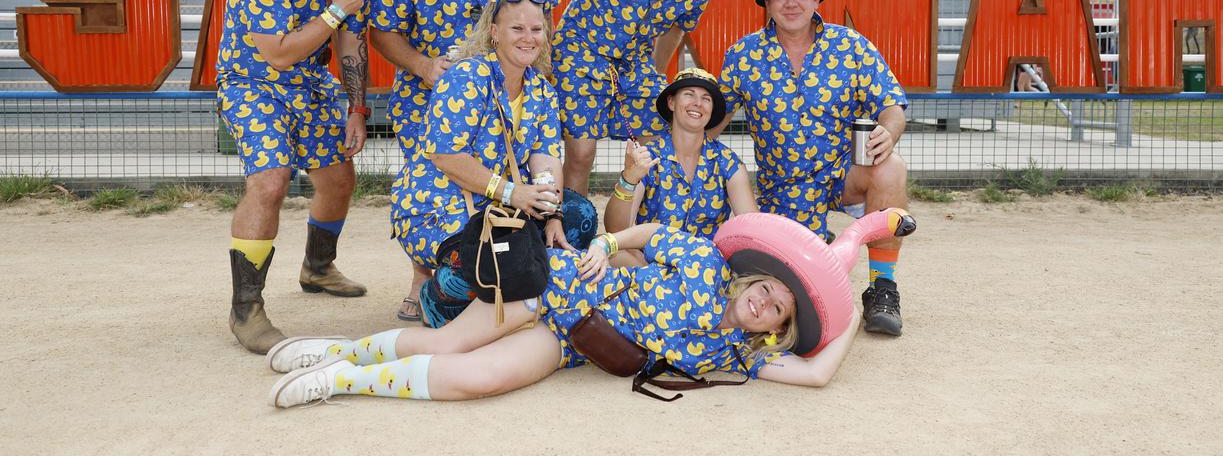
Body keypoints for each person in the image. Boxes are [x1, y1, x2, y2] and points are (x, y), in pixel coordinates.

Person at [265, 222, 859, 408]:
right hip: (556, 287)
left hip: (574, 340)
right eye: (767, 288)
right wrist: (604, 245)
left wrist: (850, 313)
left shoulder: (735, 354)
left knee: (481, 379)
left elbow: (815, 374)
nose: (765, 301)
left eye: (778, 309)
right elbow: (649, 234)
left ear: (774, 329)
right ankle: (334, 350)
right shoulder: (703, 261)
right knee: (446, 344)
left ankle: (344, 380)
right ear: (752, 278)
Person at [367, 0, 559, 321]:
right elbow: (381, 30)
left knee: (498, 184)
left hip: (505, 88)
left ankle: (480, 271)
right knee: (435, 182)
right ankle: (423, 277)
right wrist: (422, 66)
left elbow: (539, 22)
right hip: (428, 95)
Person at [215, 0, 376, 354]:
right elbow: (279, 54)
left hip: (311, 85)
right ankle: (247, 309)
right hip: (254, 82)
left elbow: (350, 43)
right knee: (270, 180)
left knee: (339, 179)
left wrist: (356, 108)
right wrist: (336, 9)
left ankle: (318, 267)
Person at [714, 0, 912, 336]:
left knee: (892, 167)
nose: (792, 3)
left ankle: (882, 289)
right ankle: (818, 243)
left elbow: (892, 104)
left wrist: (889, 130)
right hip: (781, 191)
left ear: (817, 0)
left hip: (843, 174)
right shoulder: (743, 56)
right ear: (767, 5)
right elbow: (712, 119)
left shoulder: (850, 46)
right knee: (798, 289)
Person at [388, 0, 595, 328]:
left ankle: (516, 292)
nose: (529, 38)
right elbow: (446, 154)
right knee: (481, 262)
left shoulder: (541, 88)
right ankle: (438, 297)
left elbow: (545, 159)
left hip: (500, 203)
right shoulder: (467, 76)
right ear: (494, 33)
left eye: (536, 29)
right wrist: (514, 194)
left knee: (578, 216)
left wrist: (551, 211)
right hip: (439, 203)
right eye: (517, 29)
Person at [542, 0, 720, 197]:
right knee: (581, 154)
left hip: (634, 64)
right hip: (581, 50)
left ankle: (639, 234)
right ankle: (572, 238)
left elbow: (676, 27)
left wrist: (654, 73)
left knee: (659, 145)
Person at [603, 67, 757, 265]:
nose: (698, 103)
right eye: (689, 94)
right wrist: (629, 179)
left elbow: (752, 231)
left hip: (705, 269)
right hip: (650, 266)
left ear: (711, 111)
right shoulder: (648, 157)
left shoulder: (729, 163)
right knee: (614, 255)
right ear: (671, 102)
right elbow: (617, 231)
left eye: (706, 99)